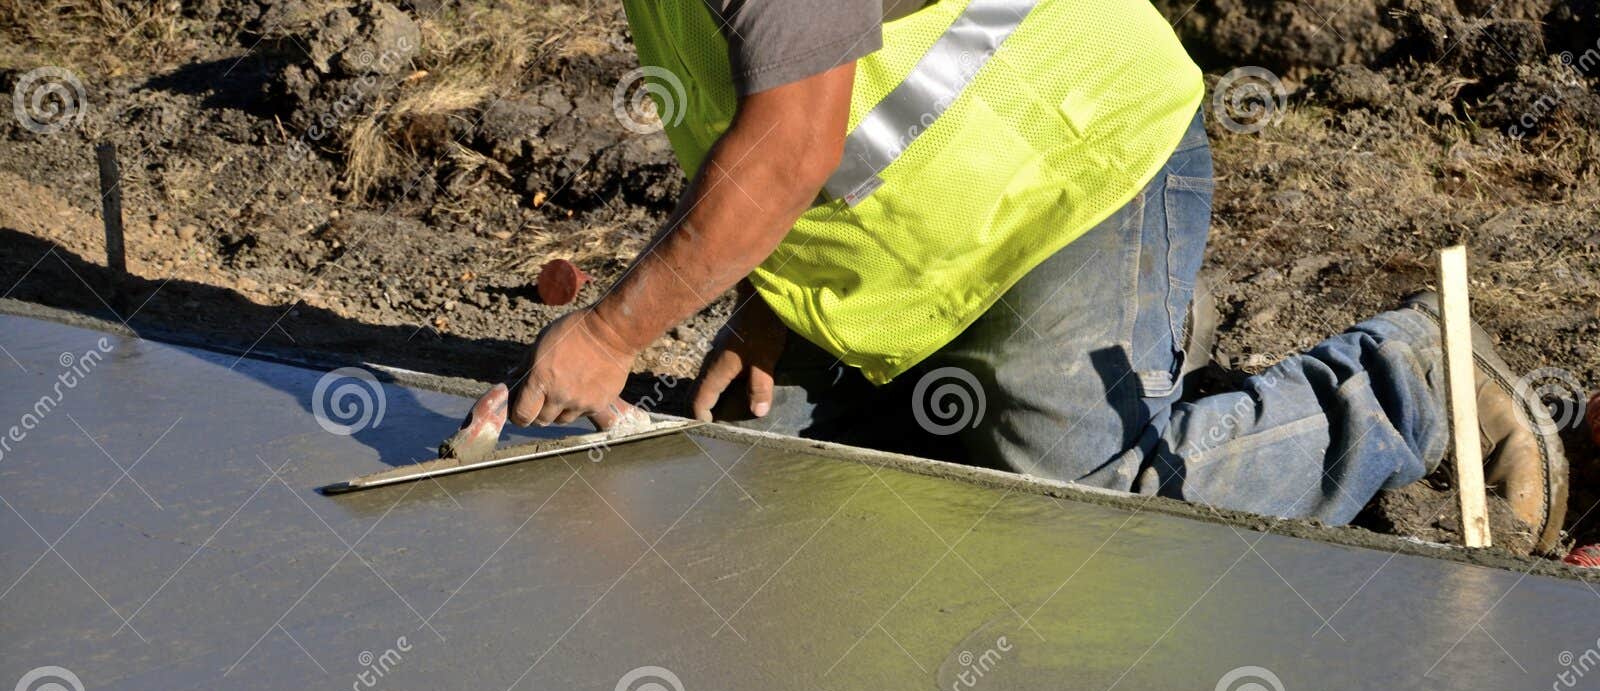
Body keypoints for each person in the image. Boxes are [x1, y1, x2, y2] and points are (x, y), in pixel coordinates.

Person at [455, 0, 1567, 553]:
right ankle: (1149, 326)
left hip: (1076, 176)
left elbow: (793, 141)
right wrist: (765, 298)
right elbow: (820, 108)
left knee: (1081, 522)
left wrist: (610, 331)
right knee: (763, 489)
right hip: (939, 244)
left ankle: (1409, 383)